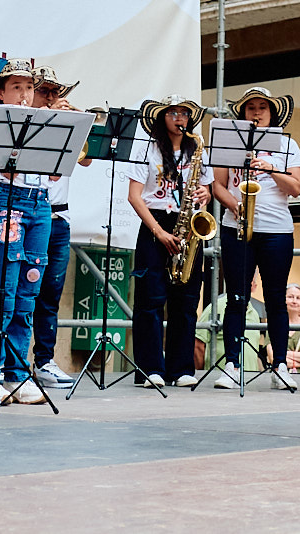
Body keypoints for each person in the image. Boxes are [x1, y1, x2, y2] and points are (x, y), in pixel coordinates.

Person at [0, 60, 58, 405]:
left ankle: (17, 373)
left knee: (28, 291)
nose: (24, 94)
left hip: (40, 202)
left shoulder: (44, 122)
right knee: (2, 291)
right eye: (16, 87)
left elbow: (57, 172)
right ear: (0, 92)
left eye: (29, 88)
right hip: (6, 199)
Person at [209, 87, 300, 390]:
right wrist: (234, 205)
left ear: (272, 113)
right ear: (243, 113)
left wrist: (271, 168)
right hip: (236, 226)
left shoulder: (287, 143)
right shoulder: (230, 142)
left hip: (276, 229)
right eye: (251, 108)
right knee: (236, 297)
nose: (257, 112)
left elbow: (296, 188)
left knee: (276, 298)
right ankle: (232, 364)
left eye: (263, 107)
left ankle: (280, 366)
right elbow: (218, 186)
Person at [126, 95, 209, 388]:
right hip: (155, 223)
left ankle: (181, 368)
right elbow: (134, 196)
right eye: (173, 113)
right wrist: (158, 232)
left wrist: (204, 195)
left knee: (186, 300)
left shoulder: (197, 149)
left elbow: (206, 192)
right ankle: (150, 369)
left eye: (184, 113)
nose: (179, 118)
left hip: (187, 226)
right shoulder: (146, 149)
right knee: (150, 300)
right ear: (162, 118)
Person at [28, 66, 93, 390]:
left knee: (50, 295)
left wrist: (79, 117)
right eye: (46, 91)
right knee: (25, 292)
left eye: (57, 92)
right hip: (31, 215)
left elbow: (87, 158)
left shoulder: (67, 123)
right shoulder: (25, 122)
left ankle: (44, 360)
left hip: (59, 219)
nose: (53, 98)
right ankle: (13, 362)